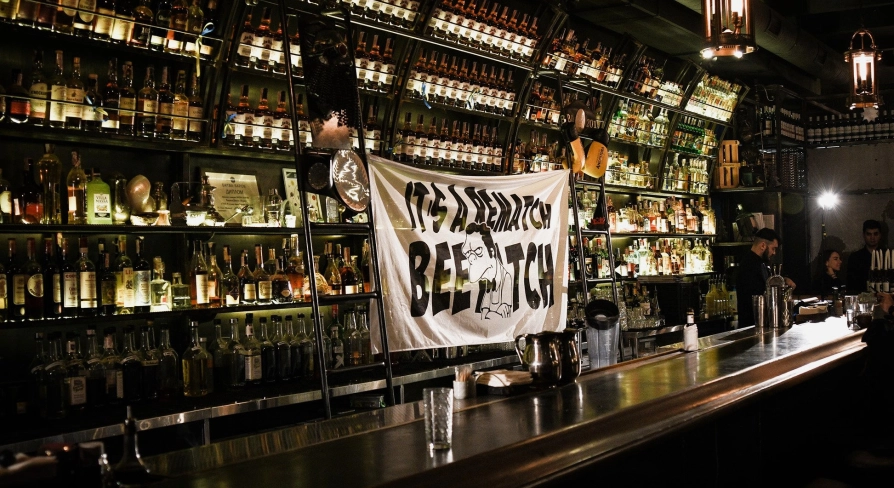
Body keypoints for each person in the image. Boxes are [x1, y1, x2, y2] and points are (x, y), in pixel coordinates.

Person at [735, 228, 796, 326]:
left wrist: (783, 280)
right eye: (773, 248)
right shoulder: (749, 266)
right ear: (763, 245)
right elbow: (760, 294)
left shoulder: (759, 264)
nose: (774, 253)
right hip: (752, 325)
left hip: (759, 324)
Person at [847, 219, 882, 293]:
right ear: (864, 235)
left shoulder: (888, 256)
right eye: (869, 234)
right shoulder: (855, 258)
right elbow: (851, 284)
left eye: (875, 234)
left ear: (880, 235)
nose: (872, 238)